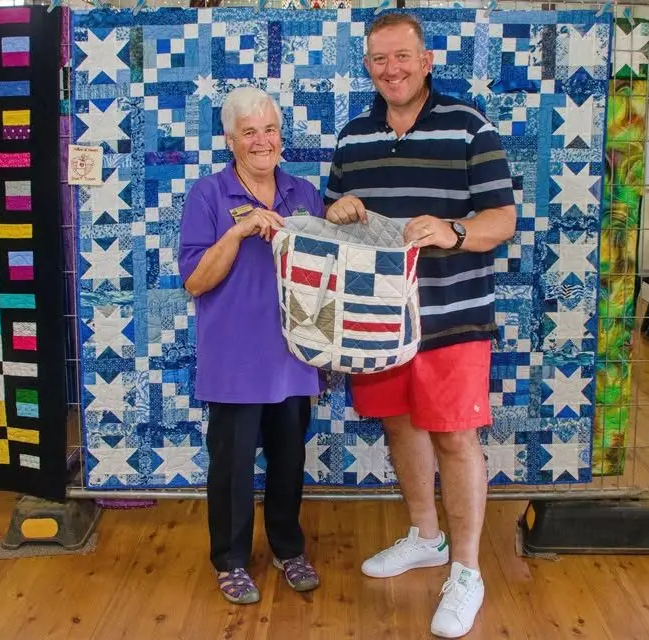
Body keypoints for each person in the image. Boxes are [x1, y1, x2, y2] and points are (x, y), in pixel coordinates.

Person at [323, 12, 517, 639]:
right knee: (401, 425)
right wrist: (341, 208)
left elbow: (503, 219)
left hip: (453, 318)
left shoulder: (469, 127)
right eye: (379, 59)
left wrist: (455, 231)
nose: (392, 70)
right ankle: (426, 538)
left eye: (402, 57)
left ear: (426, 59)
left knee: (455, 438)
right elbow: (333, 211)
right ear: (367, 64)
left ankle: (466, 571)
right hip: (377, 322)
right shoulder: (352, 138)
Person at [178, 85, 323, 605]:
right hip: (235, 360)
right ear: (230, 140)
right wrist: (236, 235)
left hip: (293, 357)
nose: (262, 141)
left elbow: (326, 273)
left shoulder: (304, 193)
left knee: (288, 460)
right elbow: (195, 281)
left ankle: (288, 548)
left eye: (270, 129)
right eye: (249, 132)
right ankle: (231, 560)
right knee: (233, 466)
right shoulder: (209, 196)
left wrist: (343, 217)